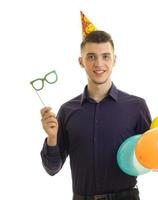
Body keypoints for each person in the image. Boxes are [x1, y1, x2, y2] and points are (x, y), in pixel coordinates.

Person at [40, 30, 151, 200]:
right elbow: (52, 168)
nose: (99, 64)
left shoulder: (136, 107)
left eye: (106, 56)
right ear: (81, 61)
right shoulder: (67, 111)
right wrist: (52, 138)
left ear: (114, 60)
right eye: (91, 57)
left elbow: (154, 159)